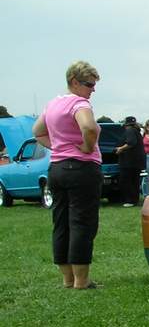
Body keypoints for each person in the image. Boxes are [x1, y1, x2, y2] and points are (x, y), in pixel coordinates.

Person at [31, 60, 103, 290]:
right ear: (74, 82)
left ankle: (67, 278)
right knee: (82, 222)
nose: (93, 89)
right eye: (89, 84)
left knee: (61, 222)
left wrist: (58, 146)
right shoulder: (79, 104)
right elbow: (88, 127)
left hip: (57, 168)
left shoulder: (53, 104)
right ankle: (82, 280)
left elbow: (37, 131)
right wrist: (87, 147)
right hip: (82, 169)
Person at [116, 116, 145, 206]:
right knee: (134, 181)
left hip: (129, 161)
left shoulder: (129, 131)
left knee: (127, 181)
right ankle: (134, 200)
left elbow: (131, 142)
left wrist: (120, 149)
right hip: (136, 161)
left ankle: (130, 200)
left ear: (126, 125)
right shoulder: (137, 131)